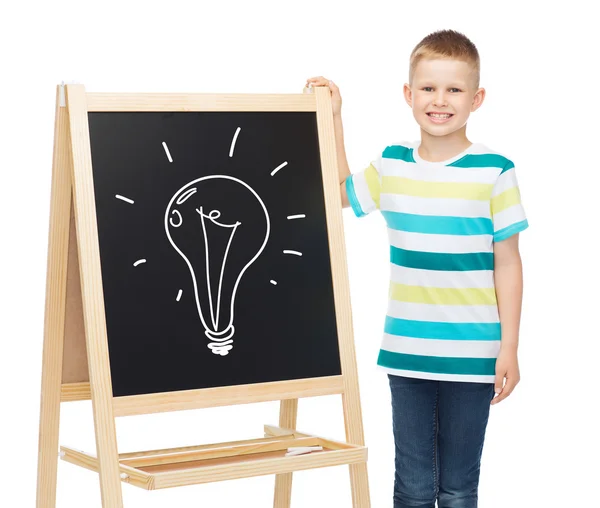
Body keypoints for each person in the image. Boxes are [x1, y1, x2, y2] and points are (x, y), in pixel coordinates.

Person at [305, 29, 528, 508]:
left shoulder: (495, 170)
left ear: (476, 98)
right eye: (428, 88)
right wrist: (334, 116)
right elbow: (339, 192)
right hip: (406, 355)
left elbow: (507, 264)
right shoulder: (392, 164)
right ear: (409, 94)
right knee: (411, 488)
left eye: (454, 89)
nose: (439, 100)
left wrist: (509, 345)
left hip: (473, 357)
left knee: (457, 488)